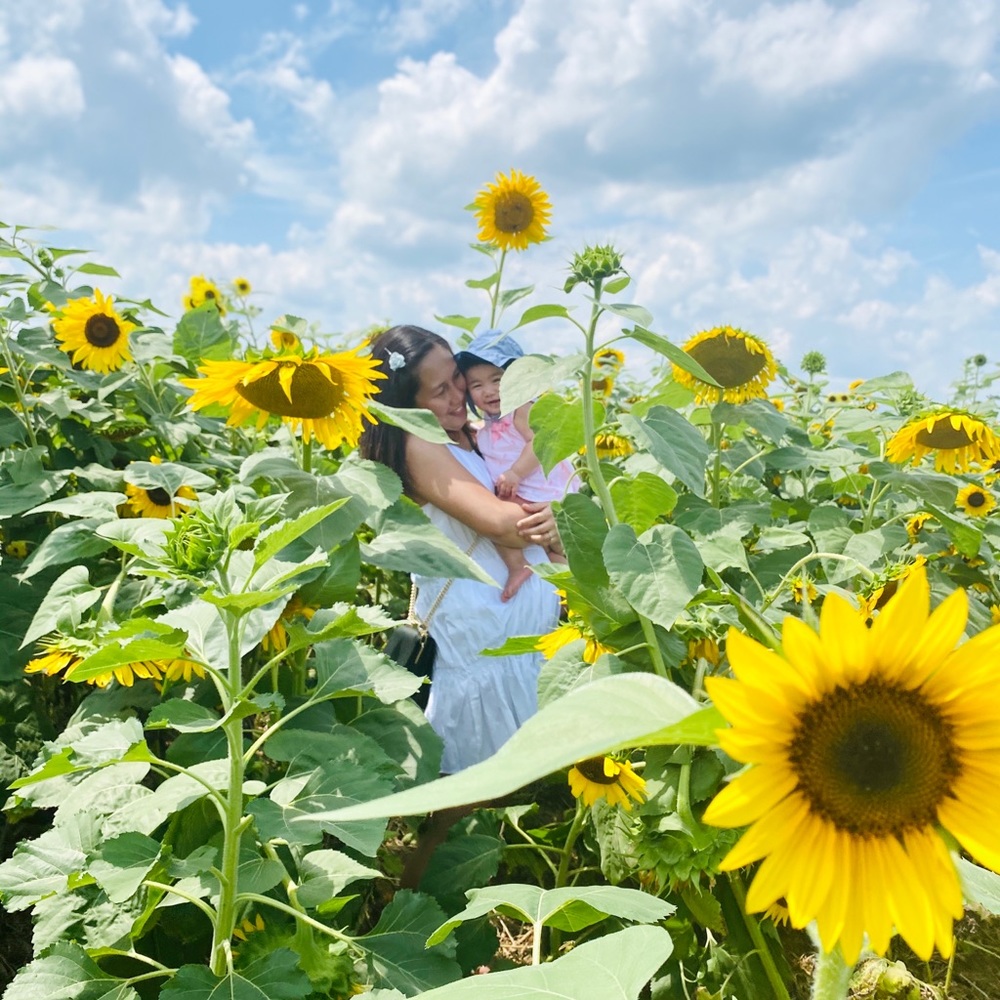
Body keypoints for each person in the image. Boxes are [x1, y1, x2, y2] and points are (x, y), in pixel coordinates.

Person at [358, 324, 562, 776]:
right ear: (406, 404)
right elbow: (503, 524)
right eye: (439, 391)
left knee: (511, 774)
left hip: (514, 637)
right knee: (475, 775)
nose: (457, 396)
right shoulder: (416, 444)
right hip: (481, 639)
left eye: (457, 379)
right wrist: (561, 519)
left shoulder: (468, 433)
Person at [455, 329, 578, 601]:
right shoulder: (489, 422)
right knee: (546, 551)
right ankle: (527, 570)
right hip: (520, 492)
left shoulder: (521, 409)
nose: (489, 391)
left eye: (497, 380)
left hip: (537, 487)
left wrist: (515, 473)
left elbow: (539, 442)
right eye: (476, 385)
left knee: (514, 527)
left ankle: (568, 588)